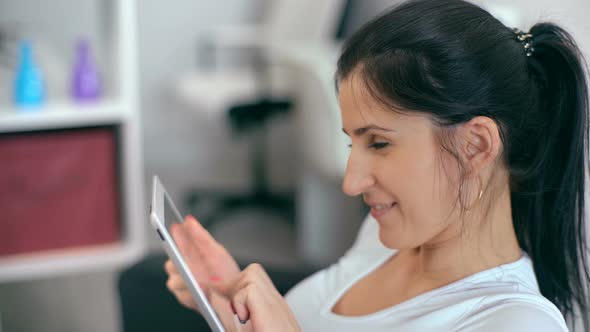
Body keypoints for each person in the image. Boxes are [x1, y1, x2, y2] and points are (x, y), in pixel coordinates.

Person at [164, 0, 590, 331]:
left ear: (476, 146)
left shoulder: (513, 323)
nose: (351, 182)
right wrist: (233, 304)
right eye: (353, 142)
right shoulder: (386, 234)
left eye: (380, 143)